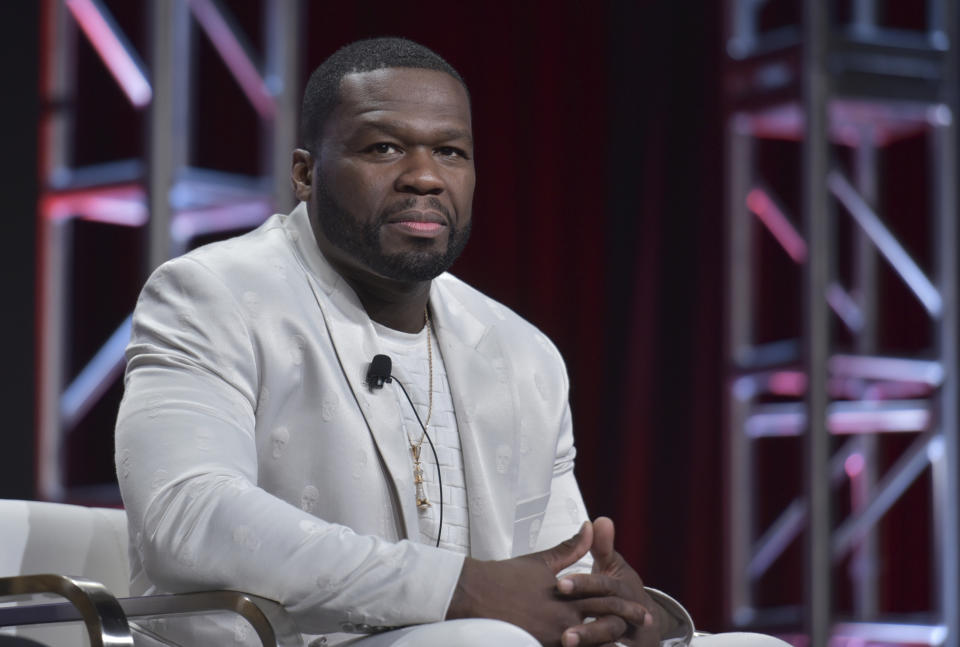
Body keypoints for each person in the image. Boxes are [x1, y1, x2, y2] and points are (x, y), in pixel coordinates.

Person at [116, 38, 787, 647]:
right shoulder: (212, 295)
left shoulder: (520, 353)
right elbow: (187, 515)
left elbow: (551, 568)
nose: (425, 177)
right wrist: (457, 588)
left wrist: (624, 611)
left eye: (451, 151)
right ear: (304, 173)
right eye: (384, 147)